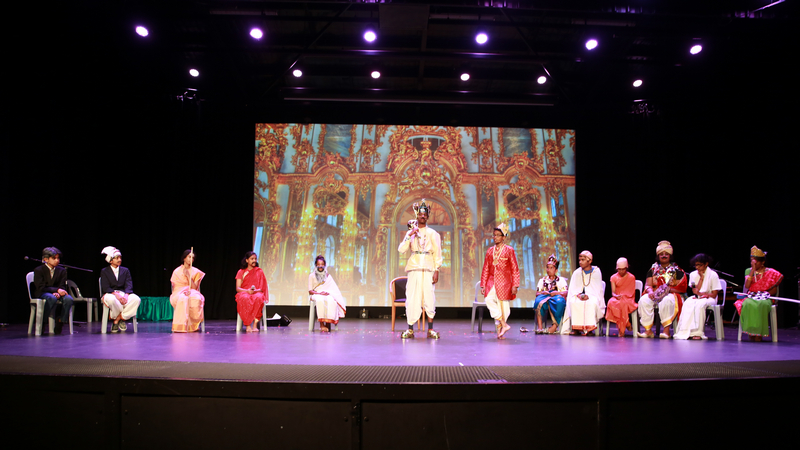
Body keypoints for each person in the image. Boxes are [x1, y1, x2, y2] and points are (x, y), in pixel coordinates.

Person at [397, 199, 443, 339]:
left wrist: (437, 270)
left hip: (428, 268)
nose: (422, 216)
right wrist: (409, 235)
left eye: (425, 214)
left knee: (429, 297)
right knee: (412, 297)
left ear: (427, 216)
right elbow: (401, 250)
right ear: (417, 215)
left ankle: (430, 329)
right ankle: (410, 329)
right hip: (414, 268)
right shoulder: (411, 233)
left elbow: (437, 253)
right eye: (420, 214)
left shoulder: (433, 233)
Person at [637, 240, 687, 339]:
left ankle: (666, 331)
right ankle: (648, 331)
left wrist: (667, 290)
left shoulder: (677, 270)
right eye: (661, 254)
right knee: (644, 300)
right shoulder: (653, 269)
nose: (664, 256)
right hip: (655, 294)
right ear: (658, 256)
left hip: (671, 294)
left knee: (666, 300)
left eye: (666, 254)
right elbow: (648, 285)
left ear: (670, 256)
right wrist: (650, 291)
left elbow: (682, 288)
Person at [735, 246, 784, 342]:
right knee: (747, 303)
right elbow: (747, 286)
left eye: (755, 262)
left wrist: (763, 294)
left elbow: (774, 291)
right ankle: (751, 332)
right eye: (751, 261)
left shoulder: (771, 273)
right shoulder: (748, 271)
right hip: (751, 296)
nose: (753, 263)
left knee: (761, 304)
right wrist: (752, 270)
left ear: (763, 262)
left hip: (765, 297)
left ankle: (759, 333)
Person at [480, 223, 520, 339]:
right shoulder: (490, 251)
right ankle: (503, 324)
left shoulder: (509, 250)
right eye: (494, 235)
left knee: (504, 309)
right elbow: (486, 268)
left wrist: (515, 285)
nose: (495, 237)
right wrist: (483, 285)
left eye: (498, 235)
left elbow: (514, 269)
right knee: (489, 300)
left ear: (504, 237)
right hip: (491, 282)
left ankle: (500, 331)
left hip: (504, 283)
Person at [674, 253, 721, 340]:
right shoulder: (693, 274)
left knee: (700, 305)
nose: (697, 267)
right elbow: (695, 291)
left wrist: (705, 295)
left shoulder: (713, 275)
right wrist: (701, 278)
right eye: (696, 265)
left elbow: (714, 294)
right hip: (698, 297)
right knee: (688, 302)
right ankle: (685, 331)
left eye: (700, 265)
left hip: (710, 298)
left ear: (706, 264)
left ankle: (697, 332)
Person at [561, 250, 605, 335]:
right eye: (579, 260)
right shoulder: (577, 272)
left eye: (583, 260)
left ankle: (589, 330)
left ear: (589, 261)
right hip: (579, 296)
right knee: (573, 302)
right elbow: (573, 289)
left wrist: (588, 296)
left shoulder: (596, 272)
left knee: (591, 303)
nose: (580, 262)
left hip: (593, 296)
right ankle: (576, 329)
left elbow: (597, 290)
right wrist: (578, 295)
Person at [32, 247, 74, 335]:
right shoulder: (39, 270)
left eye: (58, 258)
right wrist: (56, 290)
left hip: (57, 292)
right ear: (46, 259)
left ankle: (61, 321)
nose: (57, 260)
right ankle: (43, 321)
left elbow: (62, 285)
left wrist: (59, 291)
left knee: (68, 299)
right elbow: (41, 287)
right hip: (43, 292)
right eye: (54, 258)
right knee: (51, 298)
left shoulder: (62, 270)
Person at [99, 246, 142, 333]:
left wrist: (126, 295)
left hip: (123, 293)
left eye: (120, 258)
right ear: (110, 260)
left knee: (136, 299)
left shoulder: (125, 270)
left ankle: (118, 320)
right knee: (111, 300)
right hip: (110, 293)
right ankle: (119, 319)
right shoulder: (104, 271)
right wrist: (116, 294)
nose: (119, 260)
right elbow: (105, 286)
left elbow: (129, 284)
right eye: (117, 258)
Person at [170, 249, 205, 333]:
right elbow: (175, 287)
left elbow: (195, 288)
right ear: (184, 258)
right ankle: (180, 326)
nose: (191, 259)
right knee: (183, 298)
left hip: (192, 291)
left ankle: (192, 325)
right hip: (178, 292)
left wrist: (188, 276)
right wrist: (183, 291)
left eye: (193, 258)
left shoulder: (196, 272)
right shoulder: (177, 271)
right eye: (189, 257)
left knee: (196, 298)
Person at [308, 255, 346, 332]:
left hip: (326, 294)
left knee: (331, 300)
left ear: (325, 265)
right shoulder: (311, 276)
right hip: (316, 294)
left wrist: (328, 293)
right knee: (320, 300)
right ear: (316, 265)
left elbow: (333, 289)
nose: (320, 266)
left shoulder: (328, 276)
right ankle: (322, 325)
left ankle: (328, 323)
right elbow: (310, 291)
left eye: (322, 264)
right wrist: (319, 293)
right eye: (318, 264)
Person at [531, 254, 567, 334]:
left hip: (556, 298)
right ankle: (540, 328)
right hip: (545, 298)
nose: (549, 270)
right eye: (547, 267)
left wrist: (556, 293)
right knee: (538, 301)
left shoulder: (561, 280)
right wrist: (543, 292)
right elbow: (537, 293)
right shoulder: (542, 280)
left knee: (560, 302)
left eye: (551, 268)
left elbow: (565, 292)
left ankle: (554, 326)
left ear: (556, 270)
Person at [235, 251, 268, 332]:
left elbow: (262, 288)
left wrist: (254, 291)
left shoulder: (259, 271)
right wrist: (247, 291)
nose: (254, 261)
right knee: (245, 298)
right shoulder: (241, 272)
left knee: (259, 297)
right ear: (247, 260)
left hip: (256, 292)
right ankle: (248, 325)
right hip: (244, 292)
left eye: (255, 259)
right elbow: (238, 288)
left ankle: (255, 325)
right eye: (252, 259)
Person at [605, 257, 637, 338]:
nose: (621, 271)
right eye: (619, 269)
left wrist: (623, 297)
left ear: (626, 268)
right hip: (617, 298)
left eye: (623, 269)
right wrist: (616, 296)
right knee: (611, 302)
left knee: (623, 303)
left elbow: (631, 292)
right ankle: (627, 324)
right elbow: (613, 292)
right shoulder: (613, 277)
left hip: (628, 299)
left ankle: (621, 329)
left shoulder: (631, 277)